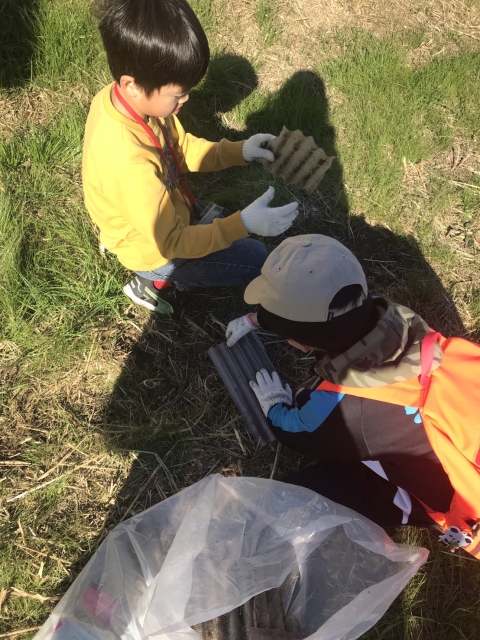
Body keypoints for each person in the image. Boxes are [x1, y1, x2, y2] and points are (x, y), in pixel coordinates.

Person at [226, 234, 480, 558]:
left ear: (299, 344)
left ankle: (413, 510)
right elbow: (332, 317)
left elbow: (296, 432)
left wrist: (275, 406)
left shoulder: (349, 411)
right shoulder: (407, 327)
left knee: (299, 495)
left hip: (441, 497)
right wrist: (258, 319)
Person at [83, 0, 298, 314]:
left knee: (221, 231)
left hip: (163, 215)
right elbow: (172, 242)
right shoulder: (128, 165)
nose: (186, 99)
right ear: (132, 85)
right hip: (155, 251)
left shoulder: (124, 100)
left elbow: (179, 150)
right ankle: (152, 281)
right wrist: (242, 224)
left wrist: (239, 150)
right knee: (255, 259)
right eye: (178, 94)